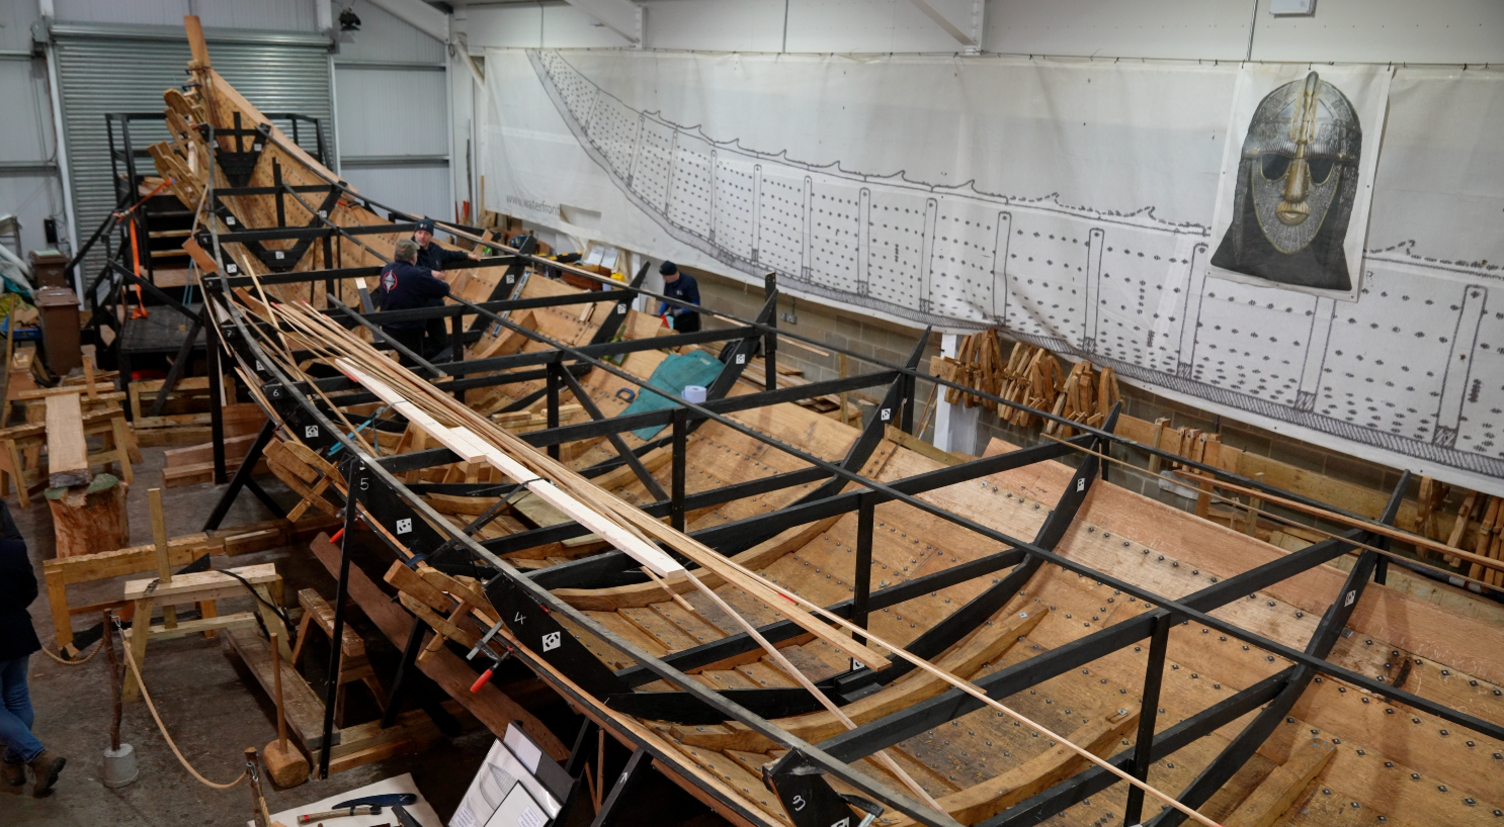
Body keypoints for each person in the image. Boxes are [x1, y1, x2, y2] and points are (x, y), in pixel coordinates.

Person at [0, 501, 65, 797]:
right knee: (16, 696)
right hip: (17, 631)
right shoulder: (14, 550)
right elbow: (29, 588)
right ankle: (12, 762)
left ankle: (37, 755)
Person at [374, 239, 452, 363]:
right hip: (408, 330)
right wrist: (432, 276)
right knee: (418, 359)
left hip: (388, 327)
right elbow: (443, 289)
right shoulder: (416, 275)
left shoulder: (386, 270)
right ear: (414, 257)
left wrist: (427, 272)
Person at [413, 218, 480, 273]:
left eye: (426, 233)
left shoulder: (435, 249)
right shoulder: (409, 250)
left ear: (431, 236)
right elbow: (410, 269)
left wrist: (466, 255)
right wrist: (431, 273)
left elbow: (450, 255)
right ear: (415, 233)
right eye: (420, 232)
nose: (422, 236)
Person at [656, 261, 701, 333]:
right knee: (677, 340)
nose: (664, 279)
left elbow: (696, 304)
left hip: (690, 321)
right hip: (677, 319)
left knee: (690, 342)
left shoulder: (689, 282)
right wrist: (660, 312)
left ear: (672, 274)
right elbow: (666, 299)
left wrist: (681, 311)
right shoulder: (668, 282)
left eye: (665, 276)